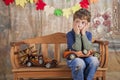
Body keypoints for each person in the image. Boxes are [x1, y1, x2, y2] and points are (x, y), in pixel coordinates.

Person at [66, 8, 99, 80]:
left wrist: (83, 34)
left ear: (87, 24)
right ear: (73, 22)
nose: (79, 24)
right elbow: (76, 49)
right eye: (77, 21)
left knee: (94, 61)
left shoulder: (88, 34)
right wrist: (77, 34)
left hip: (87, 58)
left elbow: (87, 48)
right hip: (74, 59)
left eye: (83, 22)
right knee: (79, 63)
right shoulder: (70, 34)